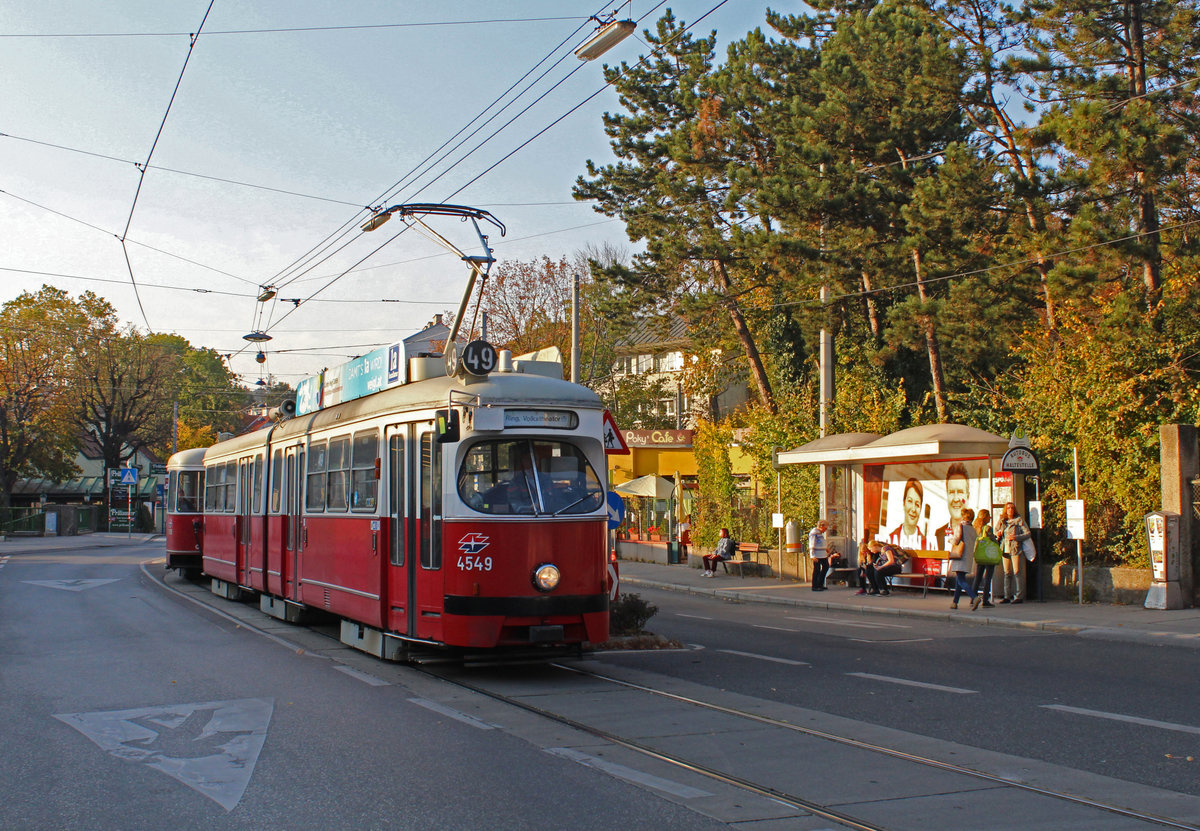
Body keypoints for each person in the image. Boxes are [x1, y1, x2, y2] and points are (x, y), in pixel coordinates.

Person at [996, 502, 1032, 604]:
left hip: (1015, 548)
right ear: (1005, 510)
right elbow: (996, 530)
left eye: (1012, 508)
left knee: (1017, 572)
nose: (1010, 510)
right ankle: (1007, 596)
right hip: (1004, 548)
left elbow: (1028, 533)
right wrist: (998, 534)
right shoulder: (1003, 520)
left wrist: (1016, 537)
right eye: (1008, 508)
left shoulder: (1019, 520)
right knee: (1007, 573)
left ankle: (1019, 596)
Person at [934, 463, 971, 551]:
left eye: (960, 492)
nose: (956, 499)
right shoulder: (939, 533)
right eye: (951, 492)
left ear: (968, 496)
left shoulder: (974, 532)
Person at [948, 507, 978, 610]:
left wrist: (950, 540)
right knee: (959, 580)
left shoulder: (960, 526)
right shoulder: (973, 529)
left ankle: (974, 597)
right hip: (968, 556)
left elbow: (956, 541)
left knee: (960, 580)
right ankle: (955, 602)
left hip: (959, 555)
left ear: (964, 516)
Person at [887, 478, 928, 550]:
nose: (913, 509)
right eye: (910, 501)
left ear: (921, 508)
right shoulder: (890, 540)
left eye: (917, 504)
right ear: (904, 503)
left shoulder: (926, 545)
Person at [971, 508, 998, 607]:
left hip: (979, 554)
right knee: (987, 577)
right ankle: (985, 600)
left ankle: (972, 598)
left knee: (978, 577)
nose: (990, 517)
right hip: (987, 555)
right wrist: (996, 539)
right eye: (988, 515)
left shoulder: (975, 527)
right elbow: (993, 541)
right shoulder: (987, 528)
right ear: (985, 517)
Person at [809, 519, 831, 591]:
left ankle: (820, 584)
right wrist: (812, 555)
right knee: (817, 570)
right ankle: (815, 586)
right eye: (825, 528)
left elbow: (820, 543)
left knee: (825, 567)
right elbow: (812, 544)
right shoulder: (814, 532)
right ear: (821, 526)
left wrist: (825, 548)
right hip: (817, 555)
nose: (825, 530)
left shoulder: (819, 533)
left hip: (822, 554)